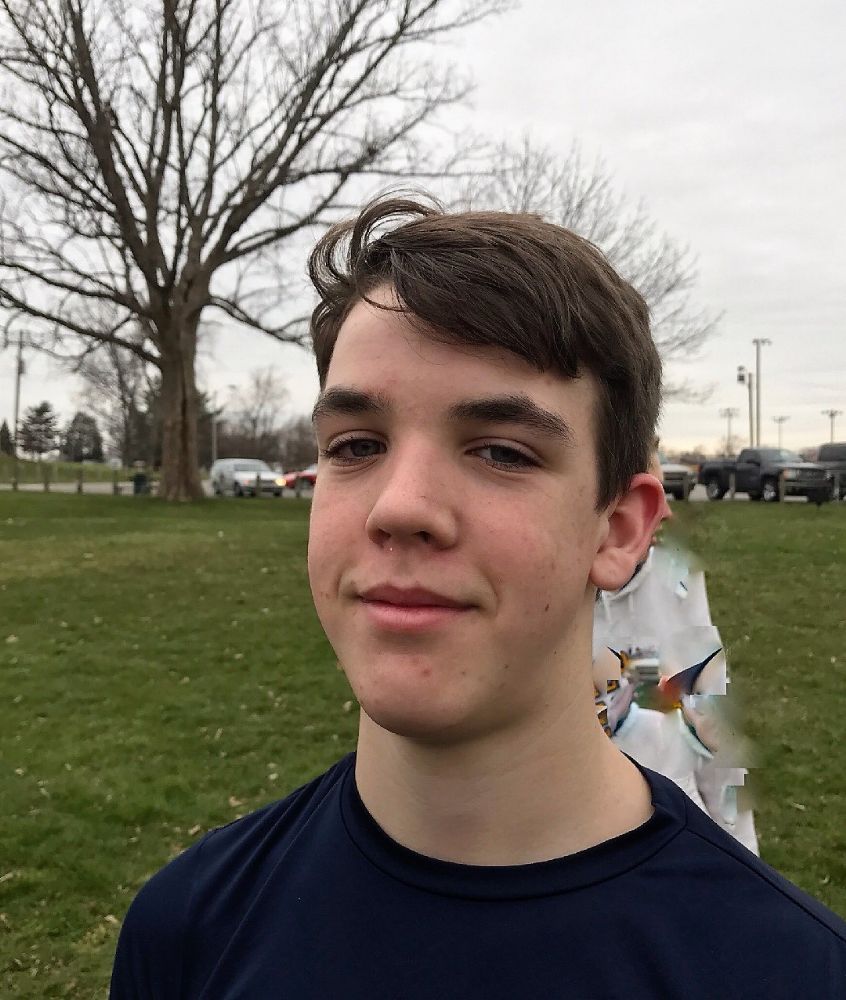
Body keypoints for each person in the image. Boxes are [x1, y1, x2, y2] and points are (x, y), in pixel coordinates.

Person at [110, 197, 846, 999]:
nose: (400, 507)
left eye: (500, 452)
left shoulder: (792, 974)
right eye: (356, 445)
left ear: (619, 530)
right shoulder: (186, 933)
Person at [593, 446, 759, 853]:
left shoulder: (678, 580)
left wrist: (744, 851)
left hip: (679, 835)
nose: (665, 512)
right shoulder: (538, 604)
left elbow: (713, 719)